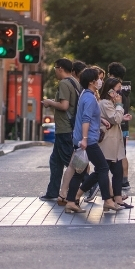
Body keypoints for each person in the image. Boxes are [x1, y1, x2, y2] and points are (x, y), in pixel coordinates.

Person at [65, 67, 122, 214]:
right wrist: (84, 139)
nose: (101, 81)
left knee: (79, 171)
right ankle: (108, 200)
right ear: (91, 81)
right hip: (88, 140)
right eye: (99, 79)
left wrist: (101, 119)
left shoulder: (86, 94)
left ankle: (71, 201)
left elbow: (88, 114)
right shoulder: (90, 98)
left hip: (82, 138)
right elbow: (86, 119)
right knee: (103, 168)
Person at [40, 58, 80, 202]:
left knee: (71, 163)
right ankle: (52, 191)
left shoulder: (64, 83)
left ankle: (91, 185)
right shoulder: (75, 82)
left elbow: (64, 106)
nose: (55, 71)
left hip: (65, 128)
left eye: (56, 68)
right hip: (66, 128)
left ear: (61, 68)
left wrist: (49, 102)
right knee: (55, 161)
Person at [98, 77, 133, 209]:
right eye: (117, 89)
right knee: (100, 172)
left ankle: (118, 199)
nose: (119, 93)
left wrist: (122, 116)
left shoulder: (110, 103)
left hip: (115, 144)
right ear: (110, 90)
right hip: (108, 143)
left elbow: (115, 118)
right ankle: (77, 194)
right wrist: (119, 105)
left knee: (118, 171)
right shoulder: (106, 103)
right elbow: (115, 119)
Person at [108, 62, 132, 189]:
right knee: (122, 153)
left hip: (118, 124)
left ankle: (123, 180)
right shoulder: (125, 90)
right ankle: (124, 179)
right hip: (125, 125)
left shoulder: (117, 92)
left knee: (119, 154)